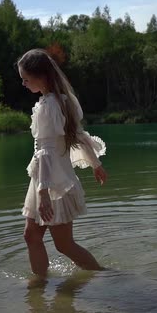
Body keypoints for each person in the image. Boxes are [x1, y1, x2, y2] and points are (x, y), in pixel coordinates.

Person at [17, 49, 107, 283]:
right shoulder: (60, 101)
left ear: (42, 77)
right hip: (44, 180)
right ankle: (38, 288)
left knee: (64, 245)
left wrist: (44, 192)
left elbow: (48, 150)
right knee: (31, 236)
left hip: (52, 185)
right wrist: (95, 164)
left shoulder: (51, 106)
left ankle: (104, 275)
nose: (23, 83)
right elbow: (79, 137)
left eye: (26, 79)